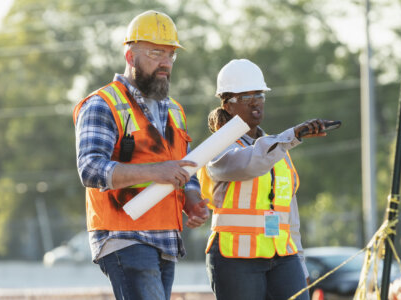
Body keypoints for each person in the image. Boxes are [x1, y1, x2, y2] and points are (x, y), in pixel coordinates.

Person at [72, 10, 210, 300]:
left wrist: (192, 200)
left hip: (165, 238)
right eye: (156, 52)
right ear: (130, 56)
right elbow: (90, 169)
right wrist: (156, 171)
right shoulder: (103, 104)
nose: (165, 62)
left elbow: (183, 169)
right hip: (123, 236)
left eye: (171, 55)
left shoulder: (175, 110)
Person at [199, 59, 327, 300]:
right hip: (235, 259)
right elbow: (250, 163)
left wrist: (299, 262)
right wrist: (293, 135)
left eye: (259, 94)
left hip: (282, 256)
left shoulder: (279, 150)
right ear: (228, 105)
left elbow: (290, 214)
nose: (256, 101)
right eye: (246, 97)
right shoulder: (218, 149)